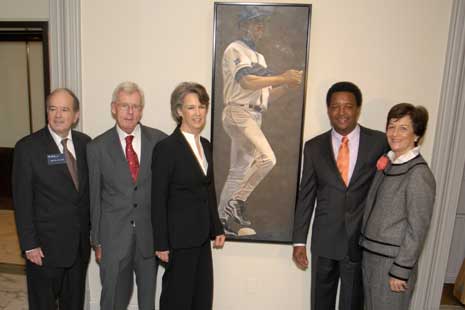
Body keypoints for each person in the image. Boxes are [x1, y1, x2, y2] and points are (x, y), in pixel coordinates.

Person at [292, 81, 388, 309]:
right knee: (320, 302)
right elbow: (306, 196)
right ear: (328, 110)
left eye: (348, 106)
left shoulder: (379, 142)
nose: (341, 112)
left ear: (357, 109)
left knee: (353, 303)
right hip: (324, 240)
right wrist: (298, 241)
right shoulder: (314, 147)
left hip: (360, 241)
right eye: (335, 106)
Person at [218, 6, 303, 236]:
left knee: (237, 172)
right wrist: (281, 76)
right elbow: (245, 82)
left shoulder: (260, 57)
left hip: (254, 114)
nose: (259, 27)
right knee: (268, 158)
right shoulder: (235, 48)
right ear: (243, 25)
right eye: (254, 22)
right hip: (239, 112)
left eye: (262, 23)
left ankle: (221, 222)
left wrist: (286, 85)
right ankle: (237, 202)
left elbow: (265, 95)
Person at [87, 81, 166, 310]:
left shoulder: (160, 142)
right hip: (112, 239)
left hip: (148, 238)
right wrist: (97, 241)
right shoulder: (97, 147)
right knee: (112, 301)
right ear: (113, 108)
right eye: (124, 106)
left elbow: (165, 194)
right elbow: (94, 198)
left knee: (148, 302)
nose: (129, 112)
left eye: (135, 106)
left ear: (141, 110)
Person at [12, 88, 91, 310]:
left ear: (75, 115)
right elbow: (22, 201)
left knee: (74, 304)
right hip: (44, 250)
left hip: (78, 248)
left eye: (64, 109)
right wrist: (29, 245)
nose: (58, 115)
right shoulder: (28, 148)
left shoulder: (86, 144)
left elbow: (88, 195)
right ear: (47, 112)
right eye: (52, 109)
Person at [152, 82, 225, 310]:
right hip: (178, 240)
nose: (198, 113)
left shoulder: (206, 145)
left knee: (202, 298)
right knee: (177, 300)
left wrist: (217, 227)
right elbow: (157, 199)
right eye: (191, 107)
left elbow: (208, 190)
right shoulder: (166, 148)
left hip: (202, 237)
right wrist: (161, 243)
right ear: (178, 111)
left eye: (201, 106)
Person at [360, 103, 435, 309]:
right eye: (391, 126)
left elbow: (417, 229)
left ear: (417, 135)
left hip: (392, 264)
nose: (394, 133)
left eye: (403, 128)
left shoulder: (418, 174)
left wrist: (400, 270)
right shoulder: (389, 162)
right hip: (372, 256)